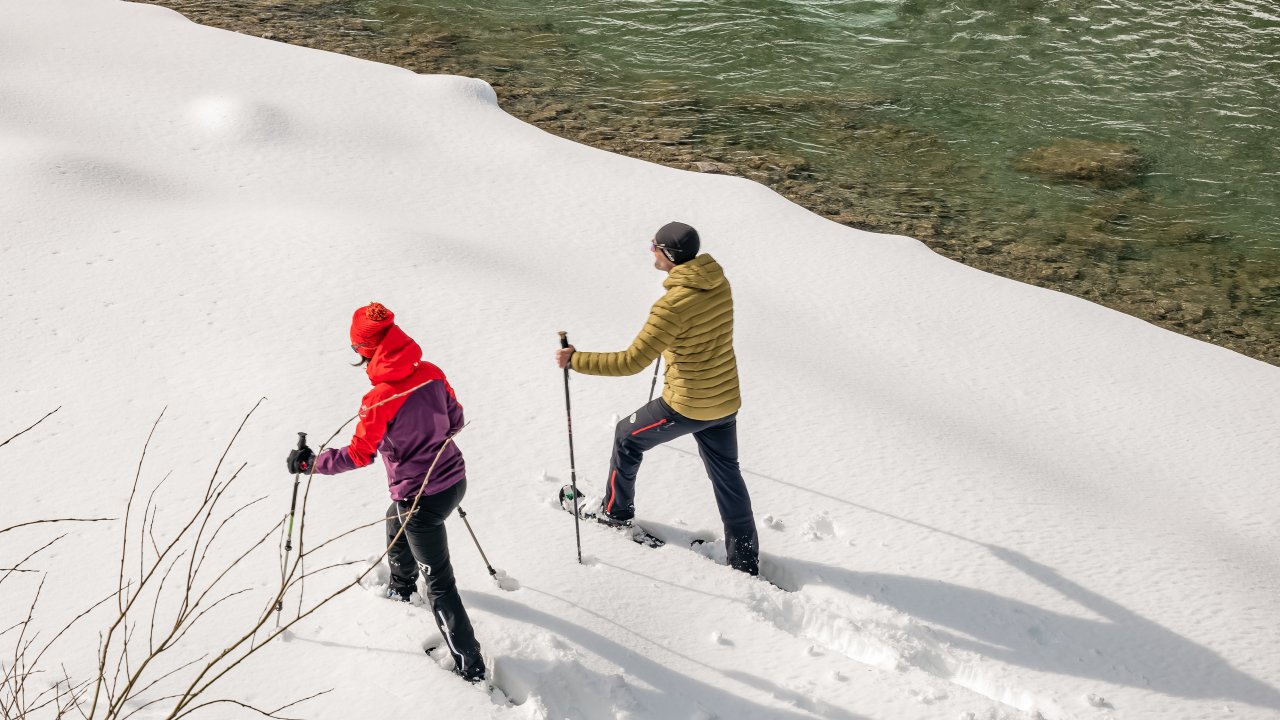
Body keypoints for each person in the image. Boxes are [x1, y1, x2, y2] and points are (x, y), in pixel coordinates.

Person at [287, 302, 485, 682]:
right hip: (454, 481)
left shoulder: (380, 398)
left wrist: (309, 464)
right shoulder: (431, 373)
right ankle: (400, 586)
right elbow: (456, 420)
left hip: (421, 499)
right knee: (395, 521)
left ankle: (471, 667)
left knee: (441, 585)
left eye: (356, 349)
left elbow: (360, 455)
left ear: (366, 350)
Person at [555, 221, 760, 575]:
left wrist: (576, 360)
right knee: (728, 476)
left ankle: (615, 513)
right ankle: (745, 560)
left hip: (688, 404)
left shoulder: (671, 307)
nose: (650, 249)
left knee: (626, 436)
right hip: (724, 400)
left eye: (654, 245)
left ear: (668, 255)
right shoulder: (718, 283)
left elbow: (630, 362)